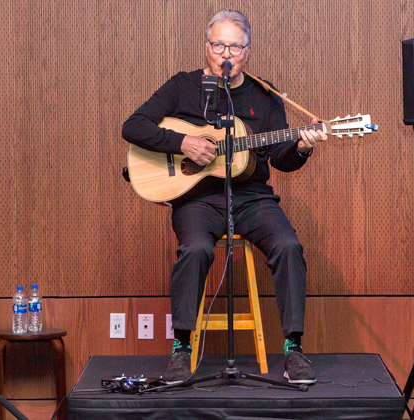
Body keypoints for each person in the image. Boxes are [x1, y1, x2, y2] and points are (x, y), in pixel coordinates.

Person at [121, 9, 326, 384]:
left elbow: (281, 160)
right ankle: (181, 348)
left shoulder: (265, 95)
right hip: (198, 199)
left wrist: (301, 145)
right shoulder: (182, 86)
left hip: (252, 197)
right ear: (206, 47)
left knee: (288, 245)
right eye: (218, 44)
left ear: (247, 51)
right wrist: (182, 141)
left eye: (234, 46)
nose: (225, 54)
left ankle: (293, 348)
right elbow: (132, 126)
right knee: (196, 249)